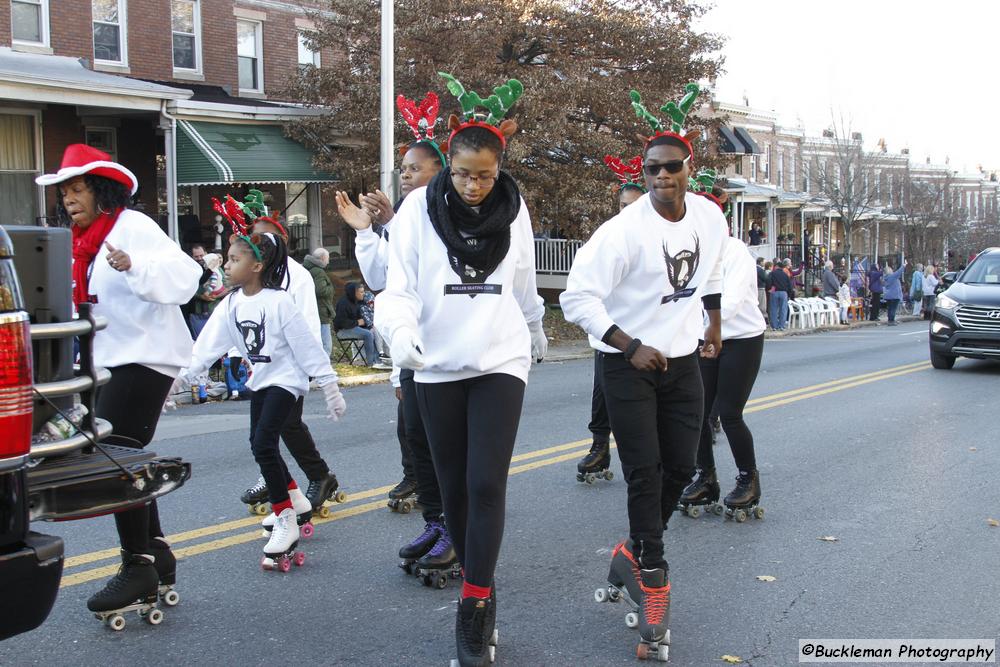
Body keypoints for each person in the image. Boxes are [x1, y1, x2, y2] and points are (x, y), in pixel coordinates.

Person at [375, 72, 546, 666]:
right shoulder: (416, 212)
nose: (474, 186)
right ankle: (483, 576)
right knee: (451, 493)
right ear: (448, 166)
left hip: (500, 358)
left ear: (499, 169)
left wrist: (535, 326)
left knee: (484, 482)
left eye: (486, 174)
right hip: (436, 364)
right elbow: (395, 289)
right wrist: (399, 334)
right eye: (464, 173)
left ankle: (473, 606)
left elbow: (522, 280)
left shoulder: (514, 208)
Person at [561, 84, 725, 658]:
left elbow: (712, 272)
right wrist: (627, 343)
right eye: (652, 169)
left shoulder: (709, 216)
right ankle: (652, 580)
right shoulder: (622, 232)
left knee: (682, 468)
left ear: (688, 168)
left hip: (681, 364)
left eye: (671, 167)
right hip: (626, 366)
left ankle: (630, 550)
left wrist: (712, 323)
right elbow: (577, 299)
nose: (662, 177)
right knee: (645, 472)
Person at [36, 144, 202, 616]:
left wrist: (135, 266)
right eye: (63, 191)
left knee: (117, 459)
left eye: (77, 188)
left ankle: (139, 563)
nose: (68, 198)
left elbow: (185, 275)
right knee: (118, 457)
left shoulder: (132, 227)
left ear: (102, 189)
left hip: (146, 356)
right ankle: (157, 555)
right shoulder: (79, 242)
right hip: (105, 363)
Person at [336, 90, 452, 575]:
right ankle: (436, 521)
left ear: (440, 173)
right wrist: (368, 230)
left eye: (414, 169)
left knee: (445, 444)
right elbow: (383, 280)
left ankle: (458, 530)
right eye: (402, 169)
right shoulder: (403, 220)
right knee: (416, 439)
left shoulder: (447, 213)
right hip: (409, 350)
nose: (405, 175)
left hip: (448, 349)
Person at [184, 230, 346, 568]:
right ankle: (296, 500)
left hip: (287, 380)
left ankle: (285, 516)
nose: (227, 265)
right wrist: (181, 378)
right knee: (258, 443)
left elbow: (305, 345)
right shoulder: (231, 303)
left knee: (263, 443)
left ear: (257, 265)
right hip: (261, 380)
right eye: (228, 259)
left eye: (234, 259)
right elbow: (207, 345)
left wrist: (329, 385)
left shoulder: (279, 301)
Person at [235, 211, 345, 516]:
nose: (259, 241)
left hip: (290, 365)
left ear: (281, 239)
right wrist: (242, 355)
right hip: (264, 364)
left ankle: (315, 477)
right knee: (269, 429)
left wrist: (312, 369)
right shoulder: (255, 272)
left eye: (266, 235)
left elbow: (308, 323)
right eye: (254, 236)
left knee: (283, 424)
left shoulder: (296, 275)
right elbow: (241, 315)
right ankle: (287, 477)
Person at [678, 236, 766, 519]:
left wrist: (704, 326)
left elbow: (731, 302)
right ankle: (706, 478)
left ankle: (748, 479)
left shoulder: (735, 251)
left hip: (742, 338)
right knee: (698, 413)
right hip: (704, 338)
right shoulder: (691, 251)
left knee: (729, 414)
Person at [577, 155, 646, 480]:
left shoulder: (653, 236)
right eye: (623, 205)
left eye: (635, 205)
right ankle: (600, 447)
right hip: (611, 333)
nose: (628, 212)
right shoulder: (608, 235)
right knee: (601, 394)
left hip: (648, 333)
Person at [334, 281, 383, 367]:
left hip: (353, 327)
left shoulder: (356, 302)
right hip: (342, 331)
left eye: (363, 291)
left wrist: (367, 326)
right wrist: (357, 322)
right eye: (361, 292)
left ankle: (377, 361)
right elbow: (341, 322)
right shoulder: (343, 303)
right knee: (368, 334)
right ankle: (370, 364)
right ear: (354, 292)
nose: (363, 294)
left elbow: (361, 320)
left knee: (372, 331)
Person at [303, 247, 335, 358]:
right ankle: (325, 368)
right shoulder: (319, 272)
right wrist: (331, 288)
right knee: (326, 344)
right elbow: (320, 291)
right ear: (322, 258)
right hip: (321, 310)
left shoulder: (306, 268)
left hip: (312, 309)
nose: (328, 261)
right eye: (328, 258)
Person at [768, 261, 793, 330]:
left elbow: (768, 282)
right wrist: (789, 294)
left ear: (776, 266)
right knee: (783, 309)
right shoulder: (785, 274)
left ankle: (774, 326)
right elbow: (790, 285)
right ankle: (781, 325)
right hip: (784, 292)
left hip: (774, 291)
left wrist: (770, 289)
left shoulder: (772, 273)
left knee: (774, 309)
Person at [881, 260, 906, 325]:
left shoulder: (885, 278)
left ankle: (890, 320)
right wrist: (903, 266)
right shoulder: (892, 277)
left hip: (888, 295)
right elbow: (898, 272)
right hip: (894, 295)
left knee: (890, 308)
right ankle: (891, 321)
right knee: (893, 309)